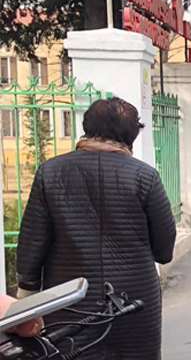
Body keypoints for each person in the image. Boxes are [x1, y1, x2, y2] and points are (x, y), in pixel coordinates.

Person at [16, 97, 177, 360]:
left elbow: (32, 242)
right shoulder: (144, 176)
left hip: (69, 302)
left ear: (87, 126)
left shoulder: (50, 172)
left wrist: (26, 295)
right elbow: (164, 250)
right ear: (131, 134)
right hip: (134, 301)